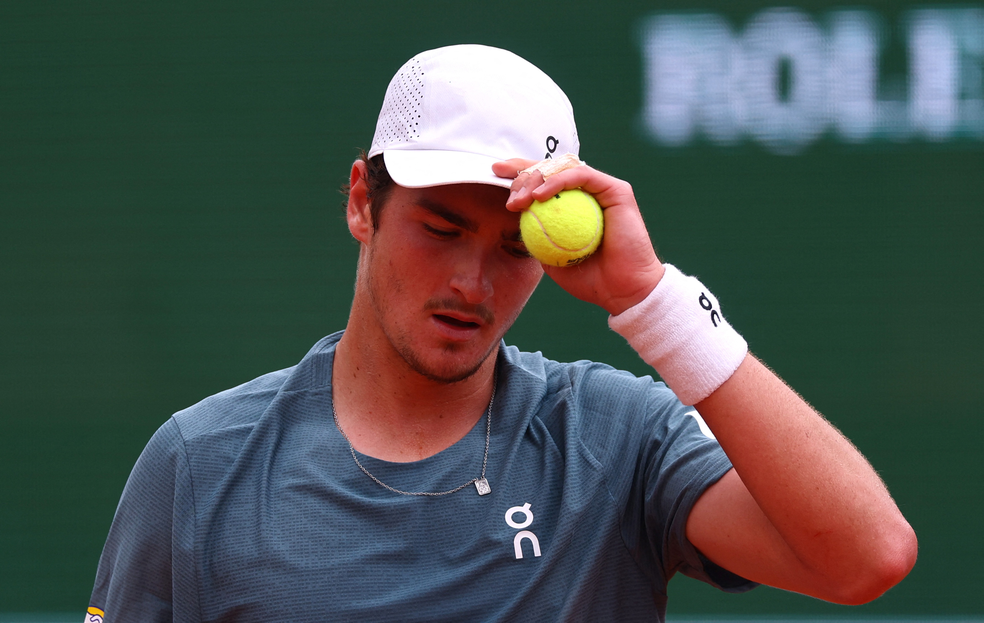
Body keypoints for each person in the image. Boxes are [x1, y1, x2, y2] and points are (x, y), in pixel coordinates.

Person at [86, 44, 917, 623]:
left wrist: (653, 298)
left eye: (515, 249)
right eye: (440, 227)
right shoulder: (201, 463)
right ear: (359, 202)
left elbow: (867, 554)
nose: (471, 283)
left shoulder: (616, 435)